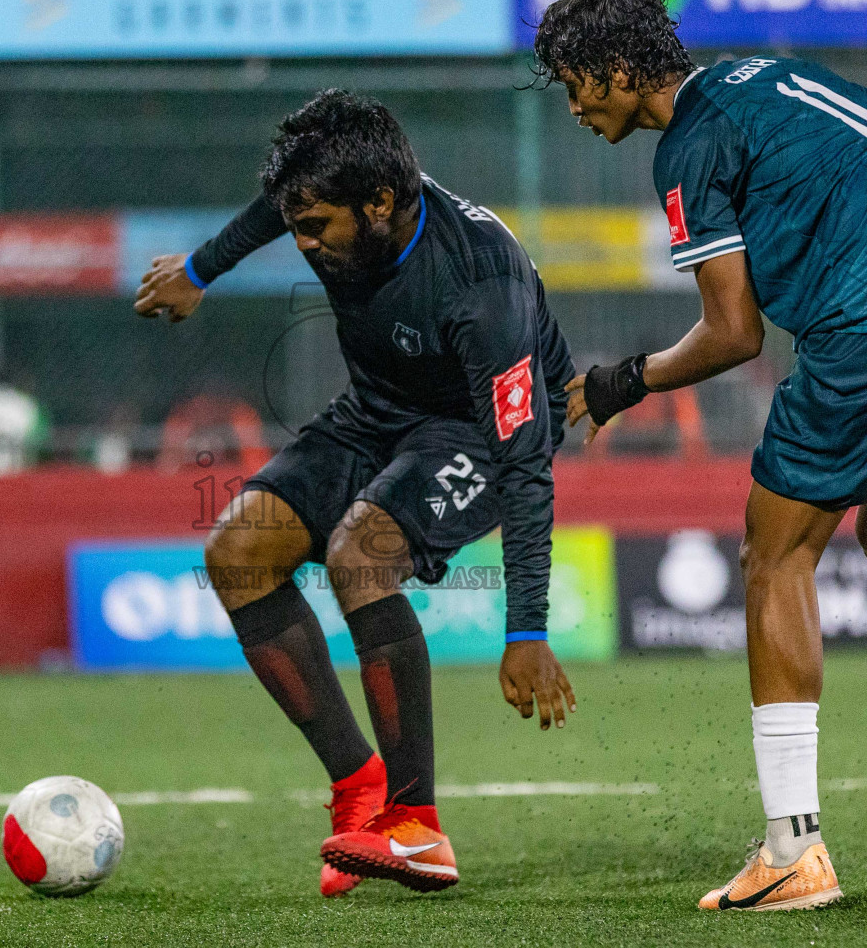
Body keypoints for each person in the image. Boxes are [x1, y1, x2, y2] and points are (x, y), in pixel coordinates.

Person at [533, 0, 867, 912]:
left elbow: (734, 334)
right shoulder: (777, 75)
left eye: (572, 83)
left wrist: (613, 384)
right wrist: (864, 203)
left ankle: (792, 849)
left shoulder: (686, 148)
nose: (570, 107)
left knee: (775, 554)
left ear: (613, 68)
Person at [135, 90, 577, 897]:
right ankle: (358, 788)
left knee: (359, 555)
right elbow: (282, 206)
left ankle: (418, 827)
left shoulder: (481, 290)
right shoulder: (350, 201)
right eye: (296, 224)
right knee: (237, 553)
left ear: (380, 204)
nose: (302, 244)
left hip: (477, 432)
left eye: (316, 229)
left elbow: (525, 462)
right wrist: (201, 270)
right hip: (376, 410)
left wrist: (528, 628)